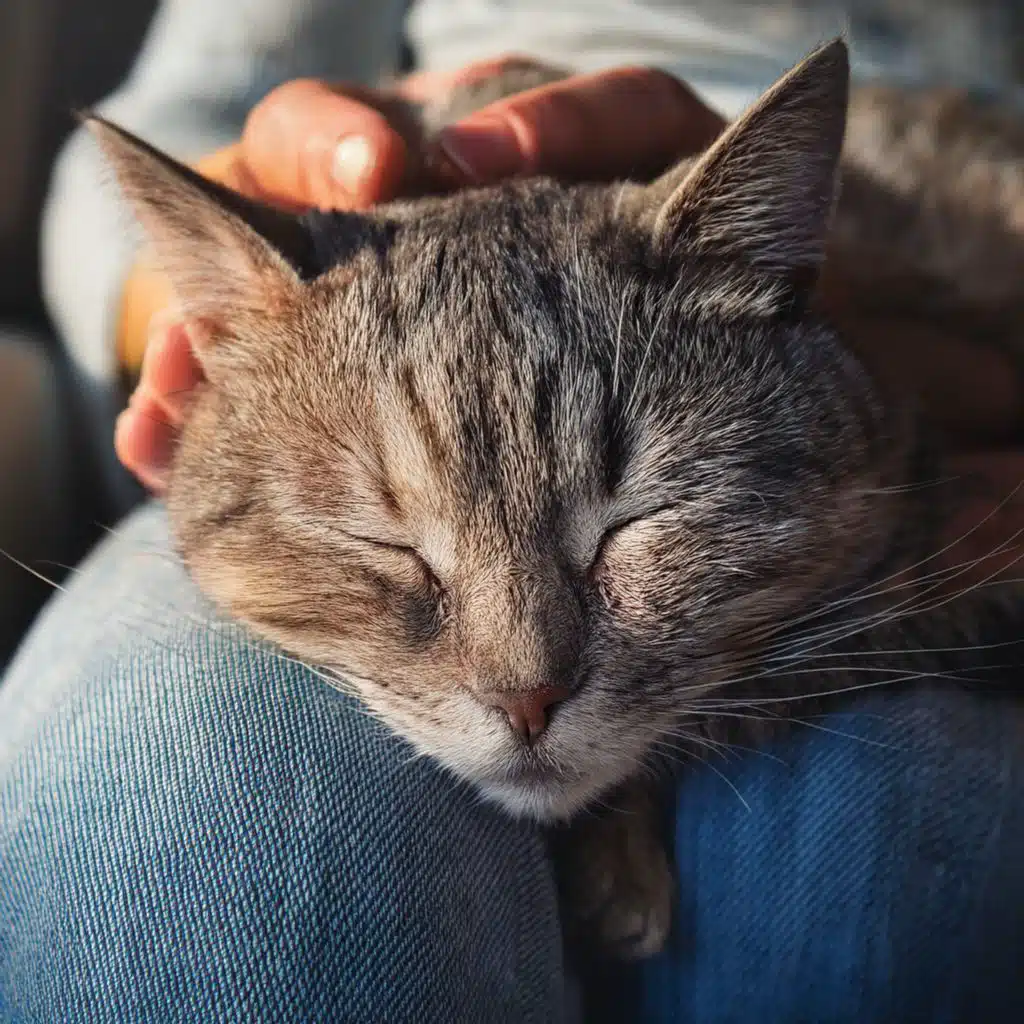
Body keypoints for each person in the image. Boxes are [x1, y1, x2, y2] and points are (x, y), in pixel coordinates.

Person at [3, 2, 1024, 1020]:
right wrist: (198, 299)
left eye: (629, 531)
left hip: (870, 258)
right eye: (391, 542)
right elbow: (169, 124)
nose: (524, 678)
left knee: (879, 842)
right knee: (213, 823)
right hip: (349, 301)